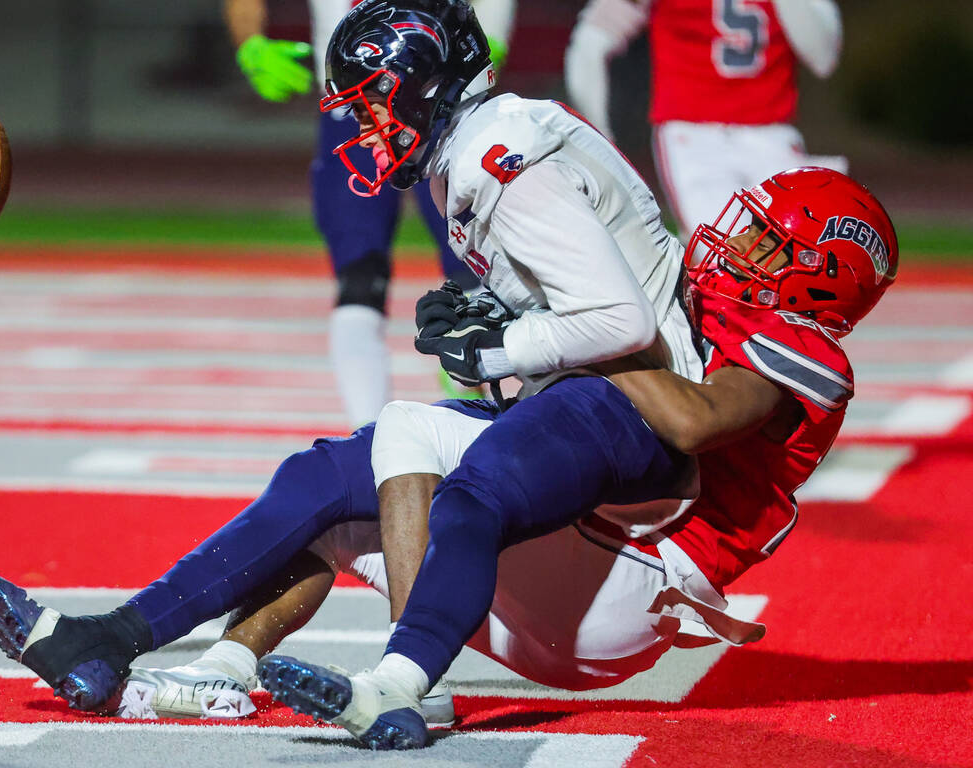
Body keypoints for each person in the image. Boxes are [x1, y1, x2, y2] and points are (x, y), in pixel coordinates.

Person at [0, 0, 706, 731]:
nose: (363, 124)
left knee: (418, 443)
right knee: (318, 479)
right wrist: (510, 320)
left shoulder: (499, 155)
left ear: (418, 84)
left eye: (369, 102)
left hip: (625, 475)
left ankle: (405, 681)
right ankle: (116, 643)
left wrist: (500, 345)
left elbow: (621, 319)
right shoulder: (483, 144)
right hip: (582, 449)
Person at [258, 161, 899, 749]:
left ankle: (402, 684)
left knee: (439, 462)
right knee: (340, 514)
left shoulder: (800, 348)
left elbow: (692, 420)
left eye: (762, 241)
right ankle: (225, 670)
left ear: (819, 277)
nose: (730, 243)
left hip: (636, 579)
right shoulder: (713, 301)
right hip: (588, 557)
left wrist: (578, 333)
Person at [223, 0, 519, 426]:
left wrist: (489, 43)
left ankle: (475, 393)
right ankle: (372, 438)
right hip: (355, 114)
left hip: (437, 106)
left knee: (477, 272)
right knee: (359, 277)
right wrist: (251, 46)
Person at [564, 0, 846, 239]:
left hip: (772, 133)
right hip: (694, 135)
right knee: (727, 258)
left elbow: (823, 58)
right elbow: (591, 44)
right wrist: (603, 143)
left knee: (807, 250)